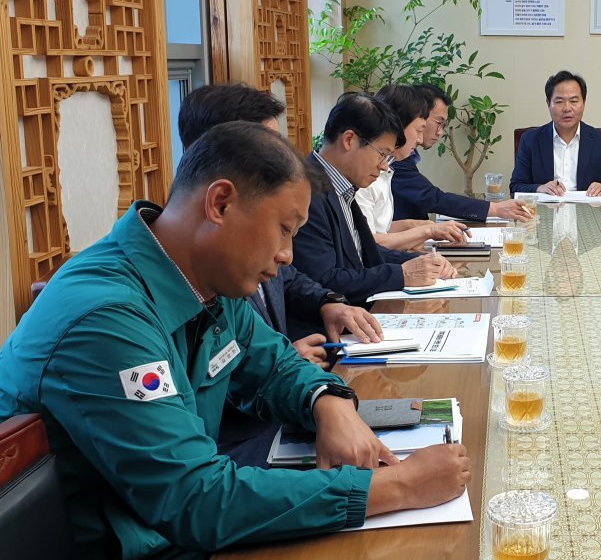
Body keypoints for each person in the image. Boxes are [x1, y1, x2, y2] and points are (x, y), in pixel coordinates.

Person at [0, 124, 471, 557]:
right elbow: (193, 500)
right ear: (220, 203)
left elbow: (275, 365)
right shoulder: (106, 319)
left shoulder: (203, 280)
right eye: (284, 230)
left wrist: (329, 402)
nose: (287, 256)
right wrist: (401, 488)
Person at [178, 83, 384, 370]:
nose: (286, 253)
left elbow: (286, 278)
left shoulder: (242, 231)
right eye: (271, 149)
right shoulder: (201, 266)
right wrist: (276, 366)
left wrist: (327, 302)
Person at [292, 93, 456, 314]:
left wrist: (419, 260)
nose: (383, 166)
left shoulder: (342, 183)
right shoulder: (306, 190)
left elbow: (363, 254)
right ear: (349, 139)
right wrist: (403, 274)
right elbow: (324, 279)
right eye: (382, 154)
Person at [354, 84, 475, 250]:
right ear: (397, 126)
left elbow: (378, 228)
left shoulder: (385, 167)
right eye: (419, 130)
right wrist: (427, 231)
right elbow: (366, 243)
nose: (419, 140)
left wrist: (414, 225)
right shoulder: (363, 173)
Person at [390, 83, 532, 222]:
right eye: (438, 122)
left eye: (444, 125)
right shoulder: (393, 159)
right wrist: (495, 209)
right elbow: (431, 197)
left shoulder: (405, 156)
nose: (440, 132)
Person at [510, 70, 601, 196]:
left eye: (574, 101)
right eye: (559, 101)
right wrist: (540, 188)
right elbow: (516, 186)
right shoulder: (530, 140)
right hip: (544, 211)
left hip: (588, 211)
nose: (567, 108)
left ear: (584, 103)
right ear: (548, 103)